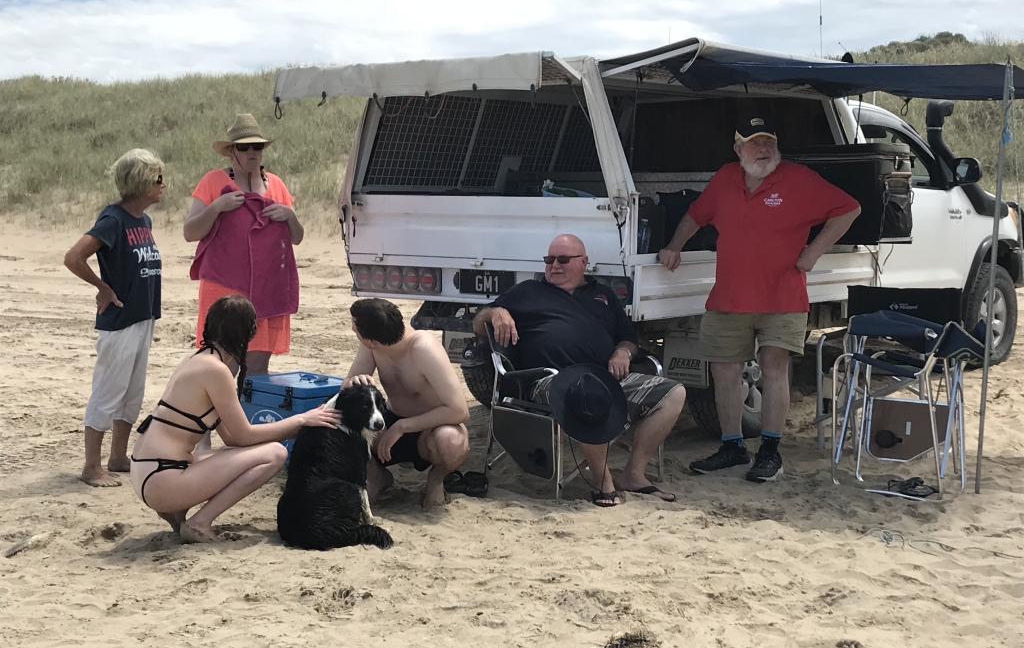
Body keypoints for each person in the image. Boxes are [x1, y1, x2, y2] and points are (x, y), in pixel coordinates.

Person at [658, 116, 861, 482]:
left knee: (773, 368)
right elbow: (696, 214)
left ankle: (770, 452)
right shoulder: (725, 178)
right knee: (724, 373)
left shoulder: (798, 179)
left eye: (769, 142)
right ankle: (732, 447)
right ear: (739, 150)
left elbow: (849, 209)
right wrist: (674, 246)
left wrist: (813, 252)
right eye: (755, 143)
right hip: (728, 298)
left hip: (782, 297)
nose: (764, 149)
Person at [473, 234, 687, 508]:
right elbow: (478, 322)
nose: (554, 265)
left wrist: (623, 352)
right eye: (549, 259)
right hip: (547, 381)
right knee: (587, 392)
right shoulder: (527, 291)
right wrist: (495, 313)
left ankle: (633, 474)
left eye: (563, 259)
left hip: (604, 378)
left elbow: (628, 337)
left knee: (673, 393)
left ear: (584, 262)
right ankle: (602, 482)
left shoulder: (604, 296)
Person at [128, 295, 340, 543]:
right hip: (162, 478)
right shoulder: (216, 370)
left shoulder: (197, 359)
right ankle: (199, 522)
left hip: (147, 472)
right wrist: (301, 420)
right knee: (275, 454)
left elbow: (232, 438)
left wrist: (293, 425)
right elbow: (244, 435)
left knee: (250, 452)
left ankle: (176, 510)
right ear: (249, 332)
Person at [64, 149, 165, 488]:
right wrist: (102, 287)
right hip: (120, 321)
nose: (163, 184)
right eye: (158, 178)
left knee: (132, 392)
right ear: (140, 181)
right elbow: (74, 257)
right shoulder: (114, 219)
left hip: (143, 316)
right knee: (108, 391)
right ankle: (91, 467)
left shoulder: (144, 221)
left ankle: (118, 457)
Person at [183, 113, 302, 379]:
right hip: (224, 288)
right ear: (231, 151)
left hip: (267, 288)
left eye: (256, 146)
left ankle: (248, 409)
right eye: (244, 147)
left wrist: (290, 216)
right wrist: (216, 207)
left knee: (257, 370)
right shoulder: (213, 181)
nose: (251, 152)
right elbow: (190, 232)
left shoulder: (276, 184)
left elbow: (297, 238)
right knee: (223, 367)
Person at [343, 298, 470, 510]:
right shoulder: (371, 347)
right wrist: (353, 382)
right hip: (390, 419)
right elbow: (345, 390)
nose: (353, 331)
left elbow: (459, 410)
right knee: (342, 421)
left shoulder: (424, 349)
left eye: (355, 330)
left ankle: (436, 480)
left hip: (431, 427)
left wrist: (403, 426)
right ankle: (376, 475)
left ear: (371, 340)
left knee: (451, 441)